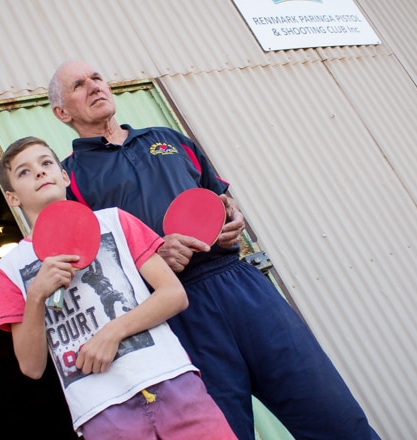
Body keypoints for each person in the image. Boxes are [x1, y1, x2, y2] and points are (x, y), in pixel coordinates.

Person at [48, 59, 381, 440]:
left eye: (97, 77)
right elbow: (93, 268)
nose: (93, 86)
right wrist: (152, 258)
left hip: (240, 286)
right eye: (78, 85)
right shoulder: (69, 177)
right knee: (224, 433)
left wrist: (233, 213)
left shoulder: (169, 139)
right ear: (61, 112)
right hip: (173, 314)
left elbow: (220, 197)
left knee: (333, 416)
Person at [0, 136, 236, 439]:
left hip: (170, 380)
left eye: (46, 163)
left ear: (64, 175)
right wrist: (37, 295)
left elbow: (173, 294)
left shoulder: (116, 221)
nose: (40, 172)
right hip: (101, 411)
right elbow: (31, 366)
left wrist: (113, 332)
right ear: (12, 197)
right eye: (24, 172)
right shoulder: (9, 268)